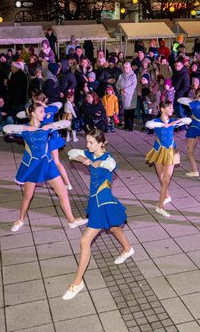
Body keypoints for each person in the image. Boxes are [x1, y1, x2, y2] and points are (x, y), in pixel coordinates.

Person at [62, 129, 133, 301]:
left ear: (101, 143)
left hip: (104, 202)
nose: (87, 145)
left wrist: (97, 163)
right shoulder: (89, 153)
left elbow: (112, 165)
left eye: (91, 143)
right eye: (87, 142)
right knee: (115, 228)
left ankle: (77, 282)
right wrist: (83, 159)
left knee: (84, 241)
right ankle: (128, 249)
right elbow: (71, 152)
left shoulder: (106, 158)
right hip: (95, 201)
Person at [7, 102, 87, 232]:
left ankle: (71, 220)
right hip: (32, 165)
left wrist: (52, 125)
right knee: (28, 195)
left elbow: (66, 123)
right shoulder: (25, 128)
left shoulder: (46, 126)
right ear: (32, 114)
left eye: (44, 112)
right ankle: (20, 220)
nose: (44, 114)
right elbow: (7, 128)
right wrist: (26, 128)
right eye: (41, 112)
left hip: (47, 163)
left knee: (63, 192)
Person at [144, 101, 191, 218]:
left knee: (166, 179)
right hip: (159, 151)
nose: (172, 110)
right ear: (162, 109)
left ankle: (160, 206)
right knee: (161, 177)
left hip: (170, 151)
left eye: (172, 107)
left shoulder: (172, 121)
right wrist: (163, 125)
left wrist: (176, 122)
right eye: (169, 108)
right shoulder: (156, 121)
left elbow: (188, 120)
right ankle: (167, 196)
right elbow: (148, 124)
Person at [178, 89, 200, 177]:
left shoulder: (193, 104)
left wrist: (193, 99)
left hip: (195, 127)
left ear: (195, 95)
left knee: (190, 151)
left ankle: (194, 171)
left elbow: (179, 100)